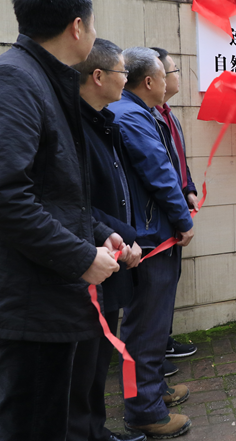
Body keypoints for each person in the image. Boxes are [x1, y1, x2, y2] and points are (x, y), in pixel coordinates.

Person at [0, 0, 122, 441]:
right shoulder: (12, 80)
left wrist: (95, 235)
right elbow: (3, 196)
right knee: (32, 429)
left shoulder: (45, 79)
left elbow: (52, 193)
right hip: (32, 306)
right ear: (77, 27)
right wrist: (81, 257)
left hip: (53, 299)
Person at [110, 47, 194, 438]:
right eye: (166, 74)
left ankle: (154, 392)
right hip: (149, 238)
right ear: (149, 82)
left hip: (152, 234)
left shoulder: (142, 113)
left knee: (153, 326)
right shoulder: (132, 117)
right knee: (145, 329)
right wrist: (182, 221)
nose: (169, 80)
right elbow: (160, 173)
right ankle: (145, 411)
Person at [70, 39, 145, 441]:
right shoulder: (73, 129)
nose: (127, 79)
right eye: (122, 72)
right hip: (87, 257)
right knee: (85, 362)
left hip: (112, 252)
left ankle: (94, 430)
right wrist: (120, 237)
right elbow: (72, 202)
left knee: (99, 359)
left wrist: (125, 238)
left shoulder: (104, 122)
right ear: (98, 77)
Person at [150, 47, 199, 376]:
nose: (179, 75)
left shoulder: (168, 114)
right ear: (155, 78)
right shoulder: (143, 117)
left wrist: (189, 189)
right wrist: (181, 217)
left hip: (177, 209)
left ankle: (162, 342)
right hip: (158, 220)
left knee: (169, 282)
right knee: (154, 291)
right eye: (174, 70)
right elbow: (157, 171)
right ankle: (151, 358)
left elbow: (179, 163)